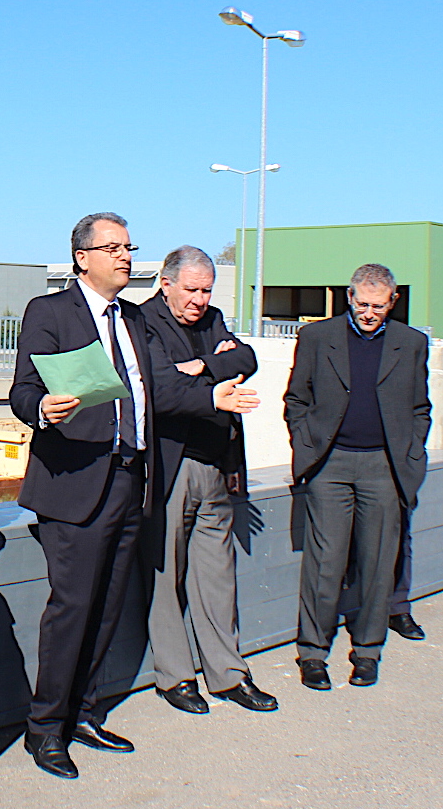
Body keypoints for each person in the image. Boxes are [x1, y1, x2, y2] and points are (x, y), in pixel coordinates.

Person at [10, 213, 257, 779]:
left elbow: (161, 387)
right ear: (82, 257)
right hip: (76, 483)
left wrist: (211, 392)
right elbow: (25, 387)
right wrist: (41, 410)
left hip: (131, 478)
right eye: (113, 247)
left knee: (108, 606)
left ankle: (86, 712)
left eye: (129, 247)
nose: (125, 256)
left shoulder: (133, 319)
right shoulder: (49, 312)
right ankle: (45, 728)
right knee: (72, 609)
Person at [141, 247, 277, 715]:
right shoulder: (142, 324)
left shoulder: (213, 319)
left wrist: (200, 368)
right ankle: (175, 677)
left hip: (216, 464)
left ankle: (228, 674)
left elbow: (248, 358)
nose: (200, 300)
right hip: (170, 466)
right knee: (166, 576)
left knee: (217, 578)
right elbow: (158, 391)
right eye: (192, 290)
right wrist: (216, 377)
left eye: (207, 290)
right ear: (166, 283)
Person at [284, 263, 431, 691]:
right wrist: (305, 446)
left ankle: (368, 650)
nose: (369, 313)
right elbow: (296, 397)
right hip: (330, 465)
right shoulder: (317, 337)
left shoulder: (411, 343)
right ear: (350, 298)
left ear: (393, 302)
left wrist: (411, 452)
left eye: (378, 306)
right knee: (324, 565)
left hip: (384, 468)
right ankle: (313, 651)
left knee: (377, 564)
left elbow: (420, 406)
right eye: (362, 304)